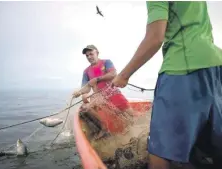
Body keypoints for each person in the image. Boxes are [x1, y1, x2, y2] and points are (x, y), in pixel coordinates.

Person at [112, 1, 222, 169]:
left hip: (182, 66)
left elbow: (155, 37)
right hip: (215, 64)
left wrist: (123, 76)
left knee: (160, 149)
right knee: (214, 141)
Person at [73, 45, 135, 139]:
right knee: (84, 109)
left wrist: (97, 79)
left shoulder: (106, 62)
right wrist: (81, 93)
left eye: (91, 54)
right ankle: (103, 128)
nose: (89, 57)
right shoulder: (86, 71)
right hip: (99, 98)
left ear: (97, 53)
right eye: (87, 55)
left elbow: (113, 74)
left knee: (132, 116)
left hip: (113, 94)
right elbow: (86, 88)